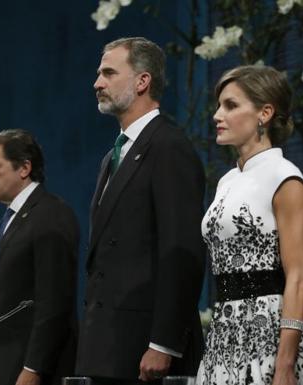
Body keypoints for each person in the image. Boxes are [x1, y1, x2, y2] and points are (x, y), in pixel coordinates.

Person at [196, 65, 303, 384]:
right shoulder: (228, 180)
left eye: (231, 105)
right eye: (219, 105)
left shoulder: (284, 176)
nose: (217, 115)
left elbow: (299, 277)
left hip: (270, 336)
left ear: (264, 113)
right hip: (225, 333)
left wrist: (285, 364)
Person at [75, 37, 206, 384]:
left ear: (142, 81)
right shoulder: (112, 157)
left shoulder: (169, 147)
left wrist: (163, 343)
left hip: (144, 348)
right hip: (107, 345)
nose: (97, 83)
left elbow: (182, 252)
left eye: (108, 73)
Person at [0, 129, 79, 385]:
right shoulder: (10, 219)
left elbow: (54, 302)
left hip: (32, 372)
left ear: (24, 168)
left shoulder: (51, 215)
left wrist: (34, 369)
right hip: (1, 369)